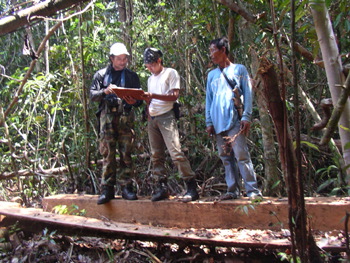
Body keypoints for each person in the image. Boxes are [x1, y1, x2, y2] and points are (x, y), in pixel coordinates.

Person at [205, 37, 262, 201]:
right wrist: (209, 122)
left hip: (234, 120)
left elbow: (248, 94)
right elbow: (209, 99)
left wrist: (246, 116)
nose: (211, 55)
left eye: (213, 50)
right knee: (226, 158)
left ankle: (252, 190)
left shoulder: (239, 69)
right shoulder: (211, 75)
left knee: (241, 155)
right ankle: (232, 190)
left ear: (223, 50)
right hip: (217, 122)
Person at [141, 47, 199, 202]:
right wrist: (147, 110)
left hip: (166, 116)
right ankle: (161, 187)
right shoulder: (150, 79)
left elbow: (174, 96)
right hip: (153, 119)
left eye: (152, 65)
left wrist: (153, 96)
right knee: (156, 155)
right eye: (148, 66)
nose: (150, 69)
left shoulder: (170, 73)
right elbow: (150, 99)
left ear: (159, 61)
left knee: (176, 152)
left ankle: (191, 187)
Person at [90, 43, 143, 205]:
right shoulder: (101, 75)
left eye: (125, 58)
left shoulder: (131, 76)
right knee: (108, 153)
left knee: (126, 153)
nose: (123, 61)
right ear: (111, 58)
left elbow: (140, 99)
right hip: (107, 119)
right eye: (119, 58)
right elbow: (93, 95)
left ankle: (127, 187)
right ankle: (107, 189)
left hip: (125, 118)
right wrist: (105, 92)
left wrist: (134, 101)